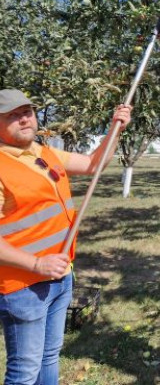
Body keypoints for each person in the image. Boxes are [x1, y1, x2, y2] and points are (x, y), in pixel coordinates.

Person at [0, 88, 132, 385]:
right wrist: (36, 265)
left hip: (60, 276)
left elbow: (93, 165)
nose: (24, 119)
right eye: (12, 116)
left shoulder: (44, 153)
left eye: (27, 112)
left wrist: (116, 129)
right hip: (24, 287)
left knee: (49, 357)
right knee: (24, 372)